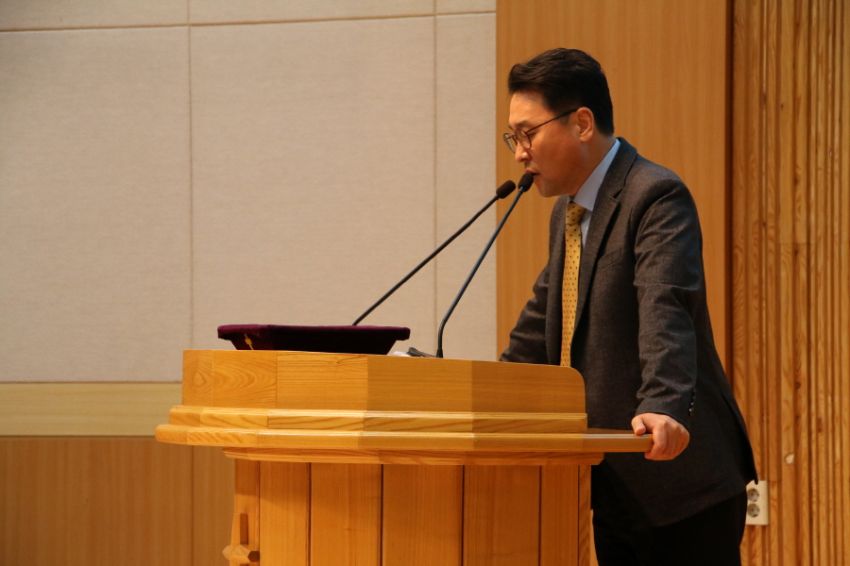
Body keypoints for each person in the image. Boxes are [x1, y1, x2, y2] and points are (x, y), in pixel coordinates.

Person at [499, 48, 757, 565]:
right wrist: (487, 394)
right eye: (514, 138)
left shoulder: (654, 196)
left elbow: (667, 305)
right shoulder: (569, 215)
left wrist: (664, 403)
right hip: (616, 480)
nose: (520, 154)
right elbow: (540, 325)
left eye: (527, 134)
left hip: (678, 482)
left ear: (582, 123)